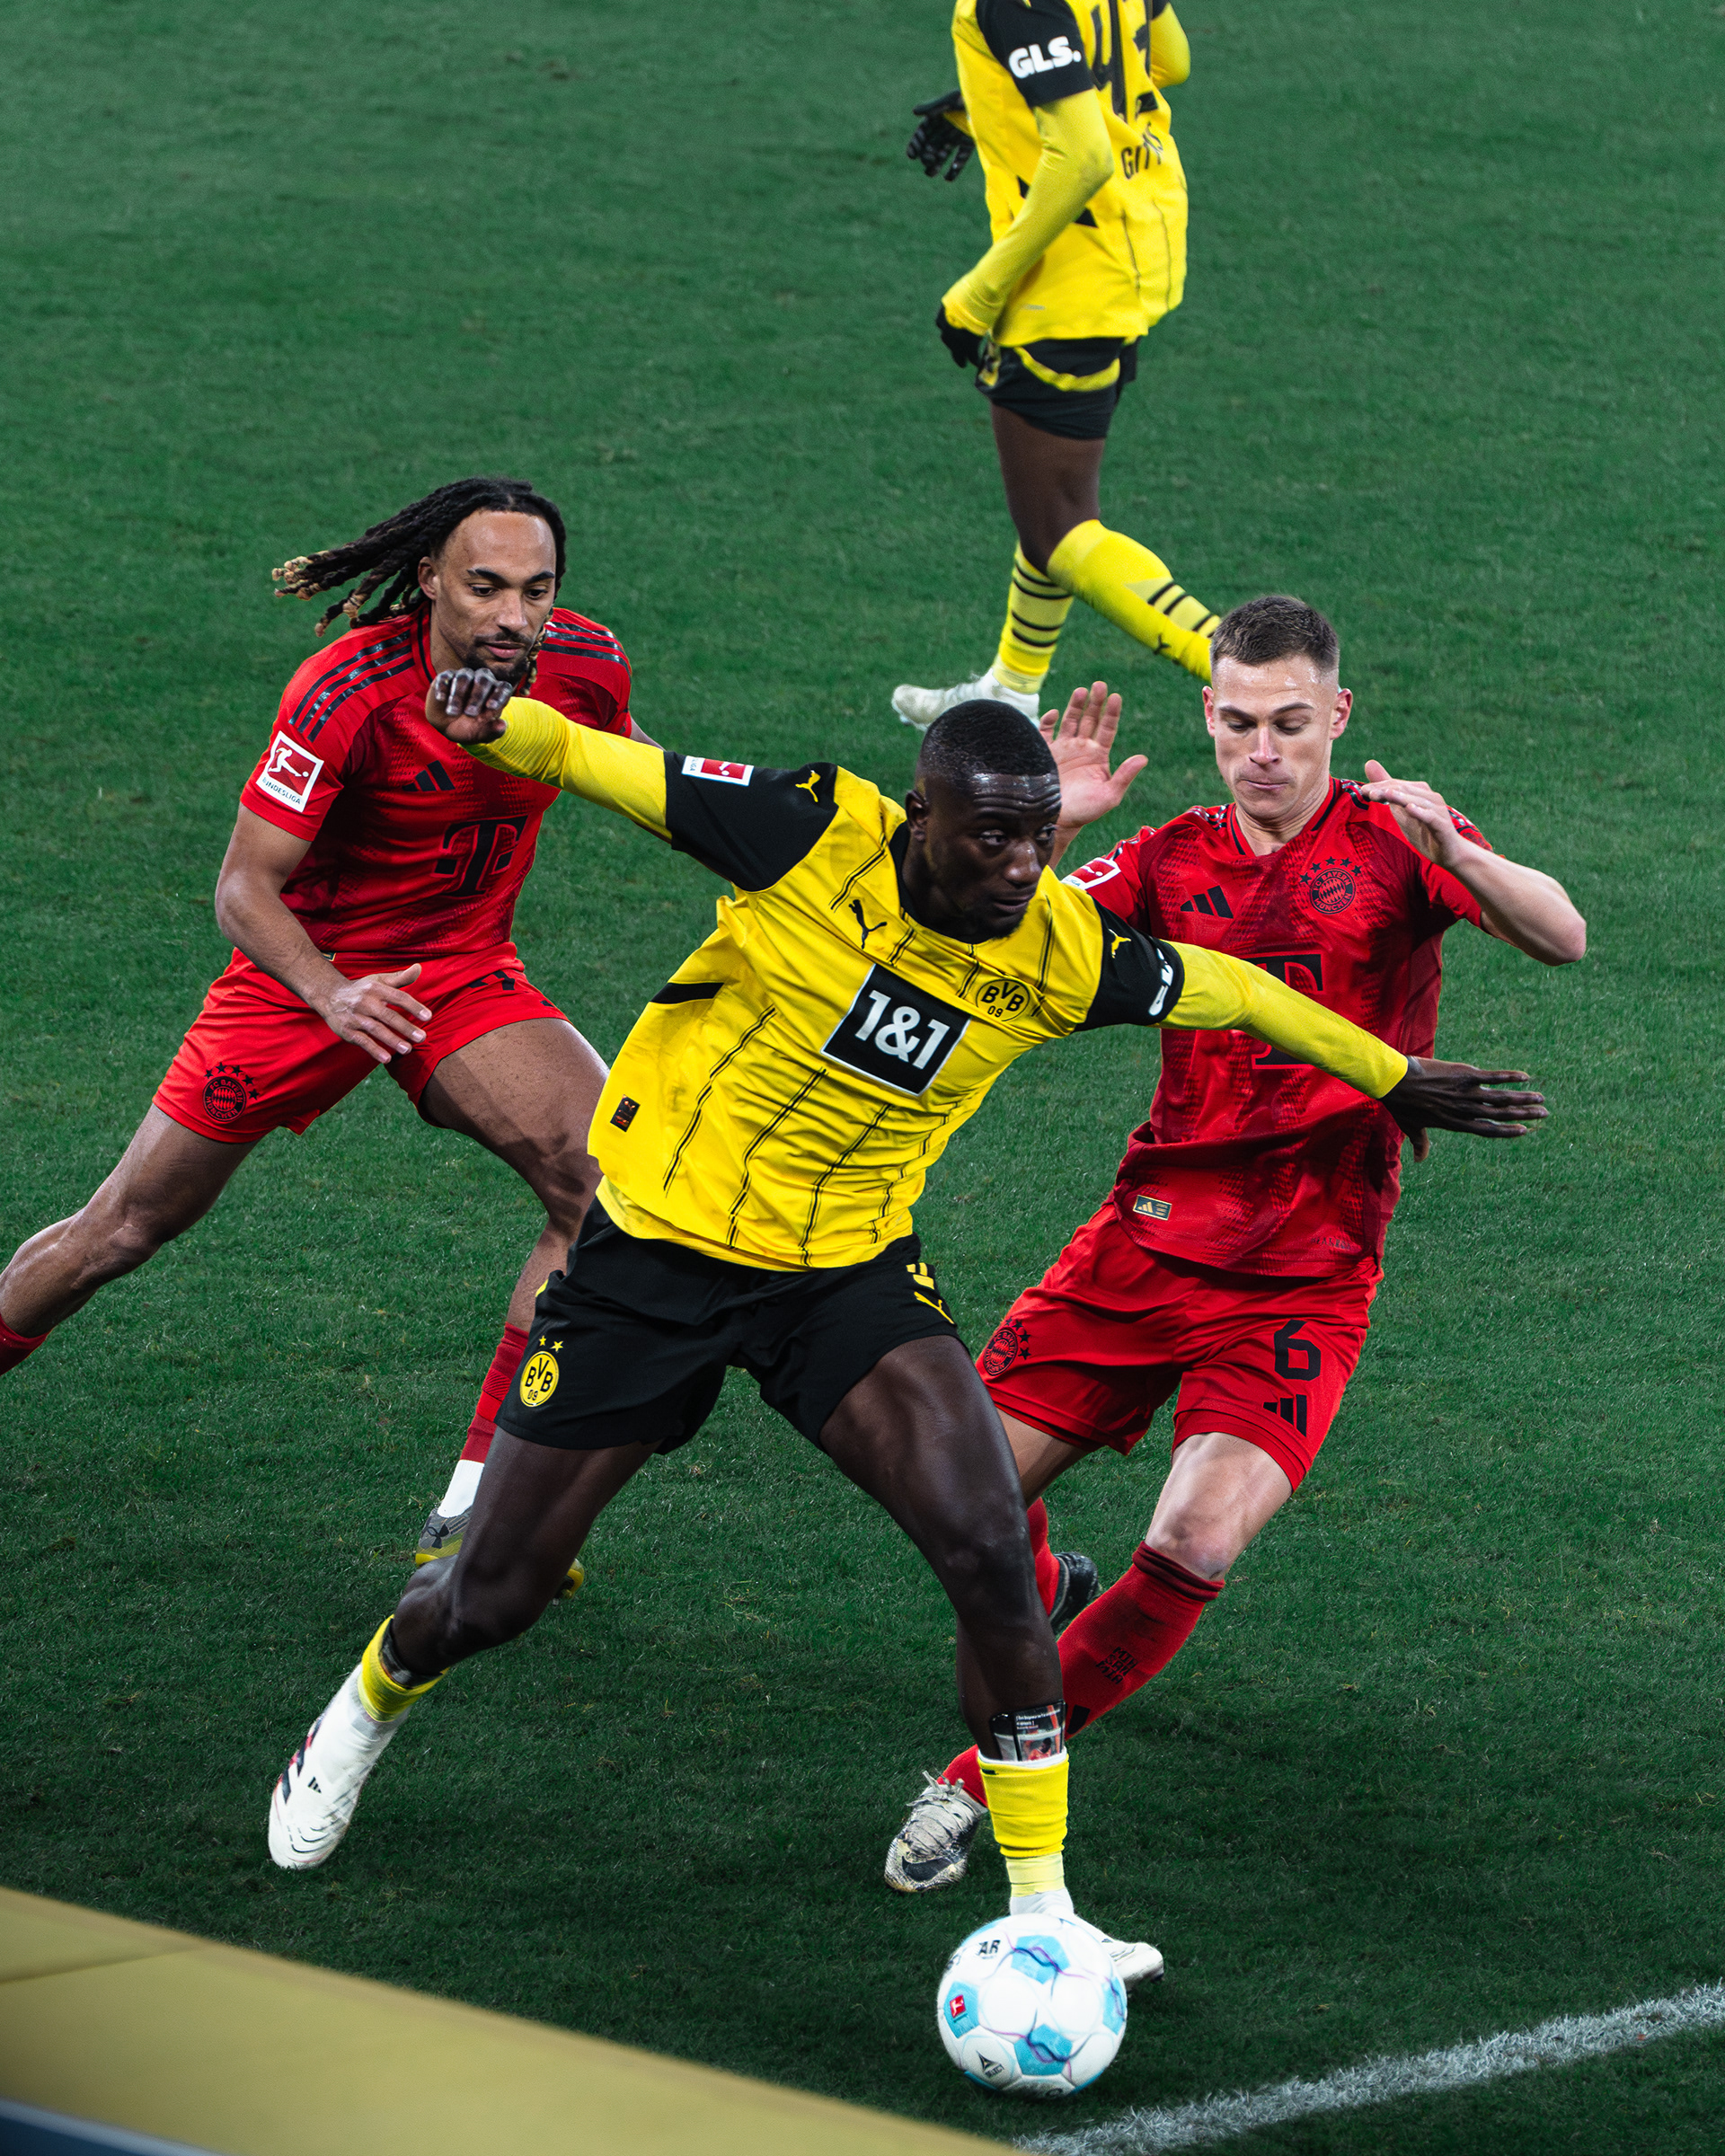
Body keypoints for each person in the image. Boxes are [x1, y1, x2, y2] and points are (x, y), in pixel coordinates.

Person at [267, 666, 1544, 1988]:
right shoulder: (814, 833)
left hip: (843, 1275)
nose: (1018, 866)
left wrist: (1394, 1078)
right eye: (990, 836)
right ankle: (365, 1706)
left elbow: (1234, 990)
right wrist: (504, 723)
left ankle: (1043, 1907)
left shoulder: (1058, 948)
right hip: (654, 1257)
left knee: (990, 1539)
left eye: (1040, 839)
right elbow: (614, 770)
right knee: (496, 1594)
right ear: (918, 818)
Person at [883, 595, 1586, 1895]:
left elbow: (1562, 934)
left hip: (1306, 1272)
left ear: (1338, 718)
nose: (1264, 751)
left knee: (1195, 1543)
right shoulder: (1167, 858)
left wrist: (1465, 853)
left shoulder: (1397, 840)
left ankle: (979, 1781)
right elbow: (971, 937)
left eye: (1291, 725)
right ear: (1208, 717)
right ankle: (1045, 1595)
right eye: (1240, 724)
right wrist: (1053, 836)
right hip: (1143, 1248)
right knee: (952, 1497)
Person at [0, 476, 640, 1594]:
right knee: (126, 1228)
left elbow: (637, 773)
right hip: (303, 976)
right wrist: (332, 992)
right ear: (431, 580)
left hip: (465, 971)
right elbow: (245, 888)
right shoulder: (345, 691)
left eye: (535, 590)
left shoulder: (585, 666)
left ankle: (475, 1509)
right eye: (483, 586)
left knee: (607, 1184)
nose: (511, 616)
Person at [892, 0, 1219, 731]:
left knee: (1060, 528)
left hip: (1065, 290)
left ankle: (1247, 665)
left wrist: (974, 298)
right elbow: (1169, 61)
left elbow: (1082, 155)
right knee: (1050, 497)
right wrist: (996, 104)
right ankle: (1010, 687)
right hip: (1141, 248)